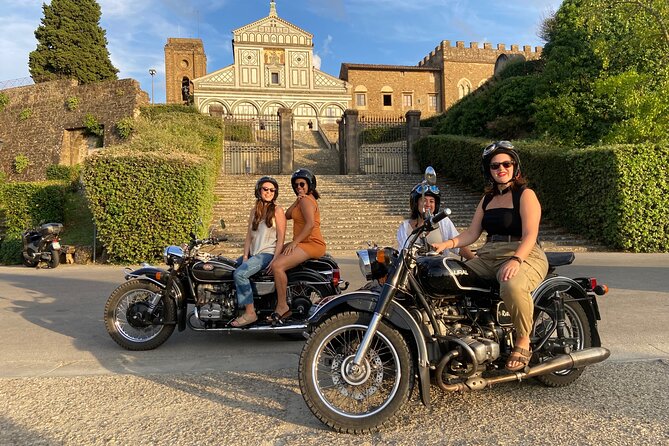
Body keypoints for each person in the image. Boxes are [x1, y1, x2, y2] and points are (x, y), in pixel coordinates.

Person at [432, 141, 548, 371]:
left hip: (523, 252)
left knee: (511, 285)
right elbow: (473, 233)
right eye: (495, 166)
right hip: (488, 254)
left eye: (506, 164)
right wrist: (447, 243)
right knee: (452, 275)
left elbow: (530, 234)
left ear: (515, 166)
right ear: (489, 171)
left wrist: (516, 260)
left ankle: (523, 340)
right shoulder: (487, 199)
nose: (501, 169)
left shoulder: (525, 195)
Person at [268, 168, 326, 324]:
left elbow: (309, 225)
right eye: (296, 185)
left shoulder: (307, 200)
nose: (299, 187)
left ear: (310, 184)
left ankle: (282, 306)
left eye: (302, 184)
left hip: (311, 243)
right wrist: (297, 199)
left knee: (278, 266)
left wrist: (294, 243)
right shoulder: (303, 200)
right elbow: (286, 215)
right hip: (303, 242)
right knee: (274, 252)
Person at [230, 176, 286, 327]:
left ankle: (250, 313)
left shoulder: (278, 211)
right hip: (254, 254)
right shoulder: (254, 211)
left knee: (240, 274)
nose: (268, 192)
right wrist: (246, 256)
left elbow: (281, 238)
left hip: (267, 254)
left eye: (272, 190)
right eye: (265, 189)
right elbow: (249, 236)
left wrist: (275, 259)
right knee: (229, 268)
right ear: (258, 190)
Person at [397, 183, 475, 260]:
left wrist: (474, 260)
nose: (428, 204)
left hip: (438, 270)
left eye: (431, 201)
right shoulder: (404, 227)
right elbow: (401, 254)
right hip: (413, 271)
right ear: (416, 203)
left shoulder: (443, 221)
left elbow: (458, 246)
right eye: (424, 200)